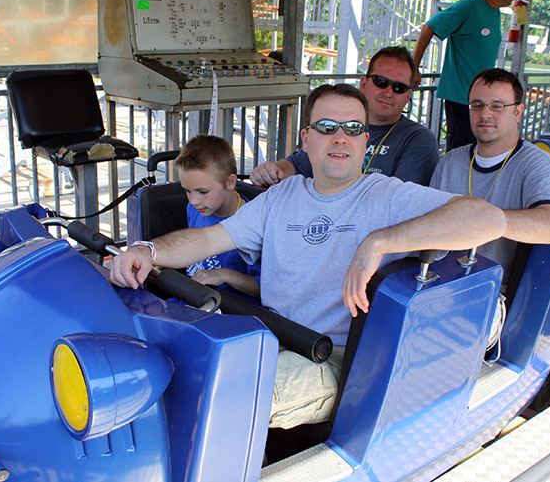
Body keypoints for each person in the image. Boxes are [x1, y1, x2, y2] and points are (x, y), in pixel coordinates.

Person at [111, 83, 506, 429]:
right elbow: (210, 239)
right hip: (266, 335)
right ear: (306, 138)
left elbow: (486, 218)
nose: (340, 137)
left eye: (352, 129)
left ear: (365, 141)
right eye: (327, 127)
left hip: (330, 356)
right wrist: (148, 250)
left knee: (220, 394)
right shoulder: (282, 195)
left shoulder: (386, 195)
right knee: (160, 365)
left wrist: (379, 242)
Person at [430, 68, 550, 283]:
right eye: (477, 105)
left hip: (493, 288)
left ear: (517, 112)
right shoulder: (449, 162)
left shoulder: (537, 163)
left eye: (497, 106)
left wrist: (482, 219)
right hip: (438, 278)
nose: (485, 114)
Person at [249, 46, 438, 187]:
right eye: (381, 82)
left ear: (408, 96)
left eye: (399, 87)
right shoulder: (336, 126)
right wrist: (271, 172)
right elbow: (297, 164)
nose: (388, 92)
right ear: (364, 84)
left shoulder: (418, 140)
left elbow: (397, 201)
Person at [412, 0, 530, 151]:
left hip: (482, 98)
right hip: (461, 96)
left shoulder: (495, 12)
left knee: (480, 148)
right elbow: (430, 27)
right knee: (461, 149)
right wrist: (414, 67)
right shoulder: (469, 7)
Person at [169, 135, 260, 299]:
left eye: (203, 192)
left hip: (230, 308)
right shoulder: (195, 207)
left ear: (230, 182)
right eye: (188, 191)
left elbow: (265, 289)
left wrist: (225, 275)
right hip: (195, 294)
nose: (194, 201)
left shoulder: (252, 224)